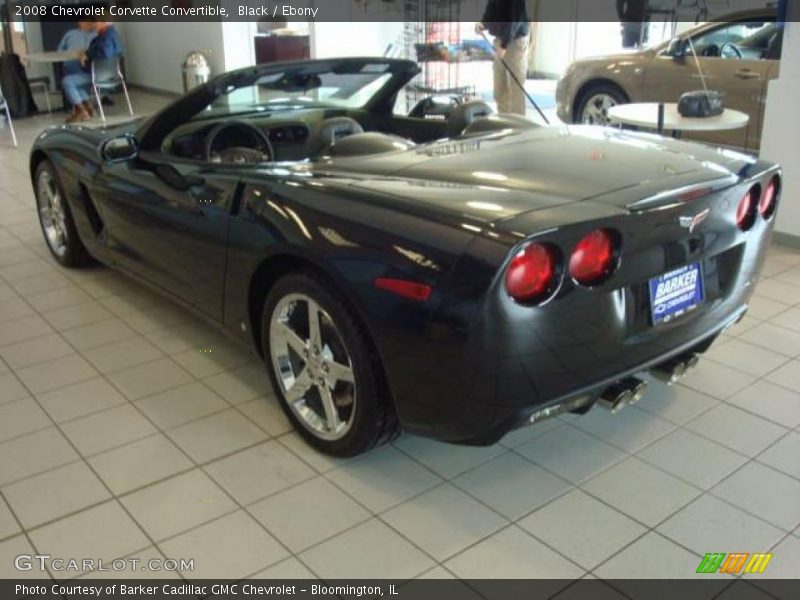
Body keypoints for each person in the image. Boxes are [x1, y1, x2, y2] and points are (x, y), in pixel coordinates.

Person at [61, 19, 123, 123]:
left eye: (96, 22)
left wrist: (87, 55)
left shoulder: (104, 37)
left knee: (67, 81)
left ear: (103, 23)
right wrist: (88, 53)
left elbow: (105, 52)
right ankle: (88, 108)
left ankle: (82, 111)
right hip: (112, 74)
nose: (93, 25)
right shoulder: (113, 35)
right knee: (77, 83)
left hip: (98, 75)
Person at [476, 0, 531, 116]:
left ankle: (518, 126)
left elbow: (514, 20)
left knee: (516, 88)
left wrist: (504, 45)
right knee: (499, 89)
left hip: (515, 42)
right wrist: (482, 24)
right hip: (500, 41)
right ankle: (504, 122)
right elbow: (491, 12)